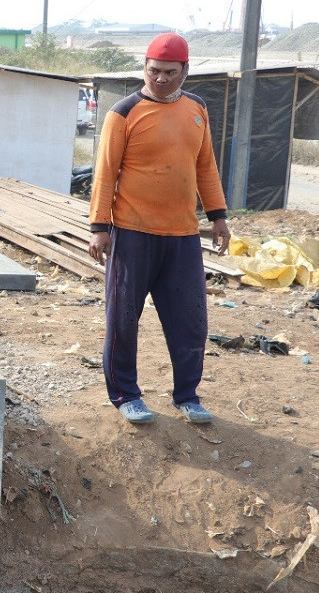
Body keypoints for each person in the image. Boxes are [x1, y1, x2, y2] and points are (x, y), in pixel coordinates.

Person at [87, 32, 230, 425]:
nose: (161, 79)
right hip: (133, 233)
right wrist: (99, 227)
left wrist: (218, 216)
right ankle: (125, 395)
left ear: (185, 70)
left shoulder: (197, 108)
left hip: (182, 236)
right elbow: (105, 172)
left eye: (170, 72)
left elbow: (205, 166)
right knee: (123, 319)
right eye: (154, 71)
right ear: (144, 69)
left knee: (190, 320)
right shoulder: (124, 111)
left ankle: (188, 395)